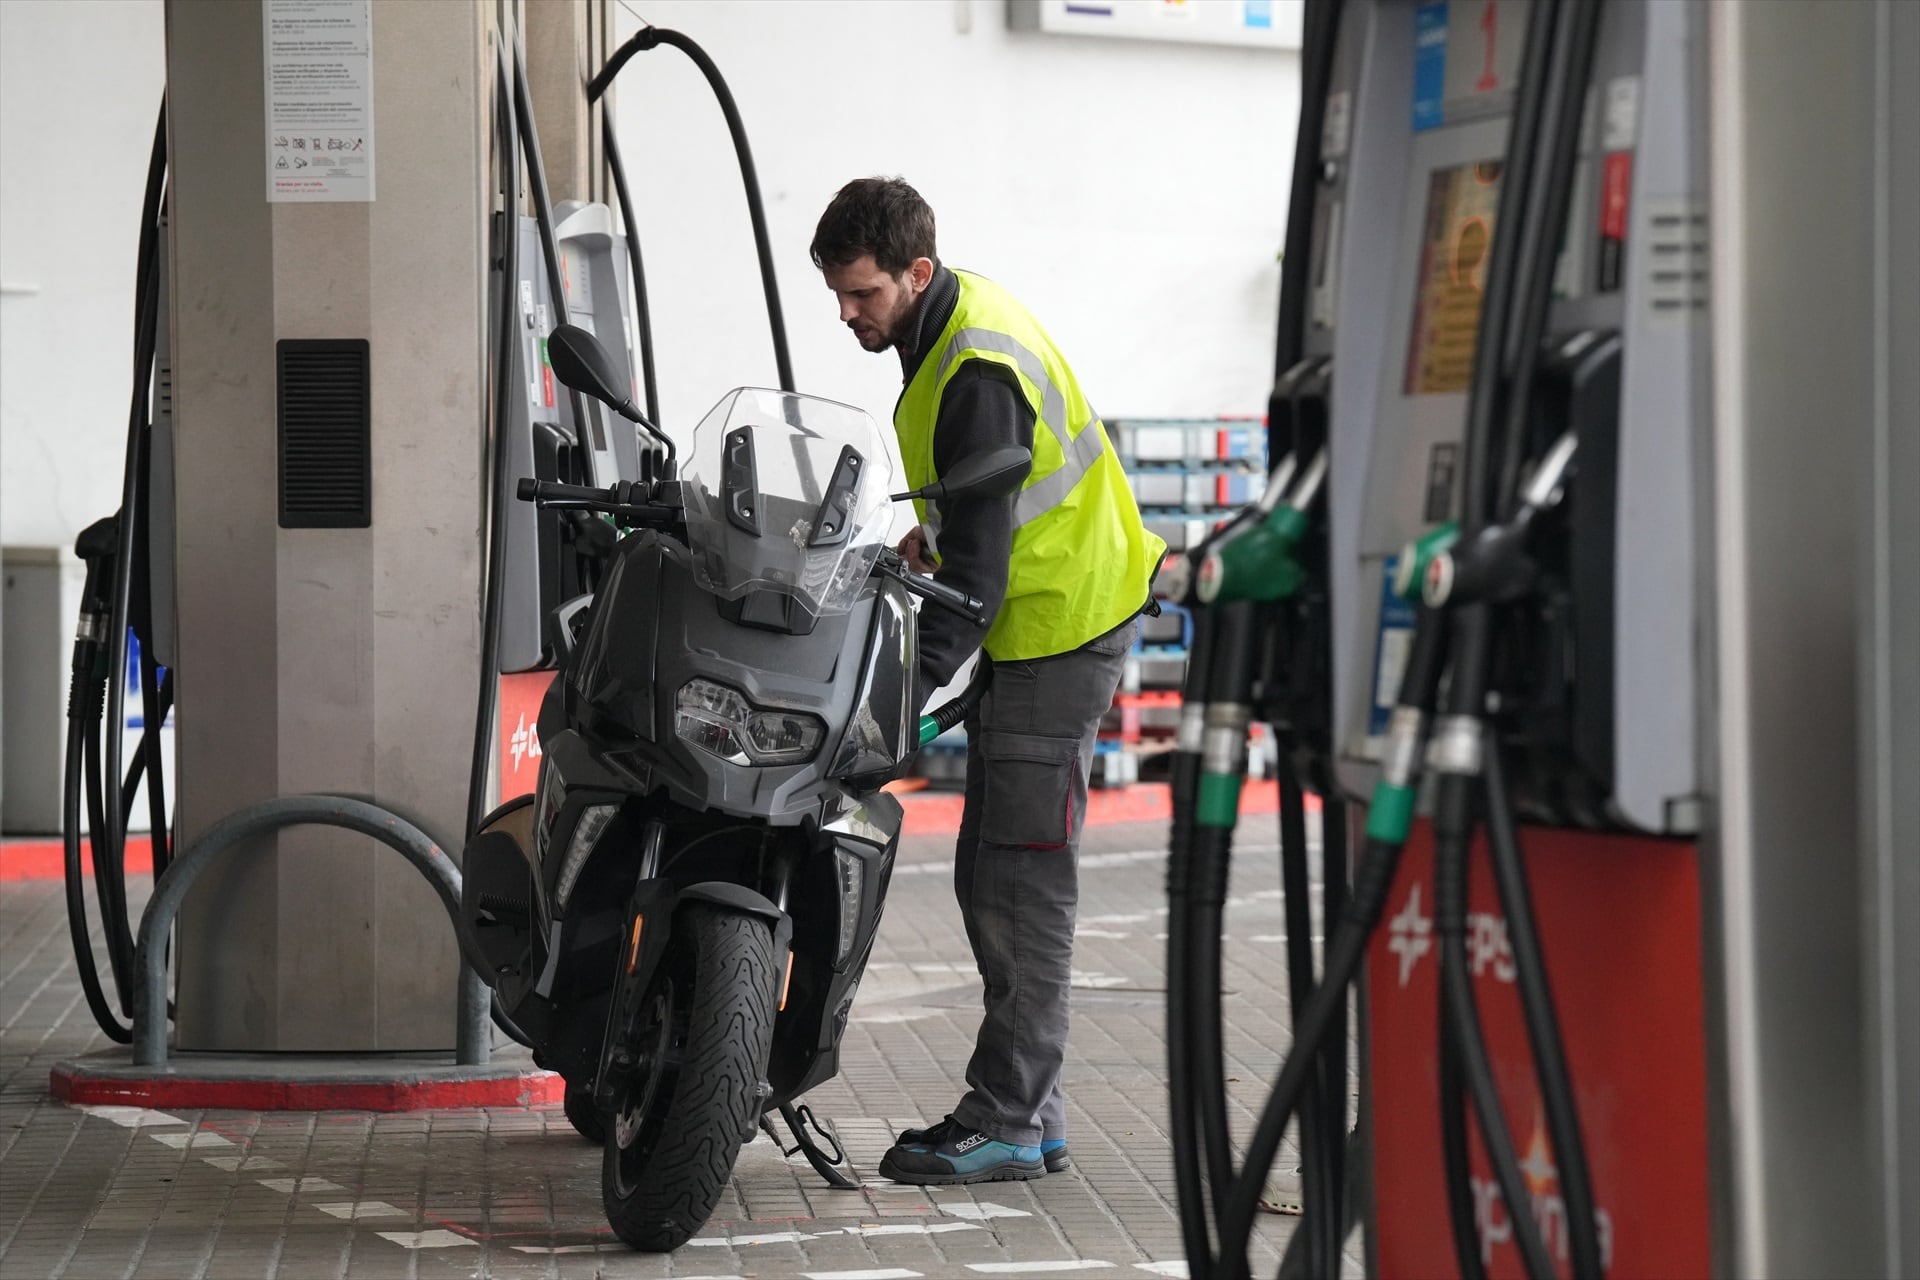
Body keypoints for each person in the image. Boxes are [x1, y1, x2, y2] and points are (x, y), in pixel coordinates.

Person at [811, 177, 1165, 1185]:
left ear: (916, 271)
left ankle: (1006, 1115)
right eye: (837, 293)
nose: (847, 312)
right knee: (990, 875)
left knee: (1020, 880)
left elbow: (975, 583)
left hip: (1063, 622)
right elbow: (984, 510)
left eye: (862, 294)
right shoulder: (947, 327)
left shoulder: (973, 366)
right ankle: (1032, 1113)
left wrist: (880, 703)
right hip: (1049, 612)